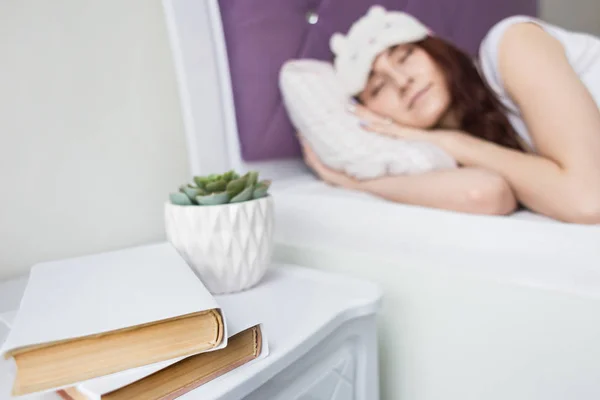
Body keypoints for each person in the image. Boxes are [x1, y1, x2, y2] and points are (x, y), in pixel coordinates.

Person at [299, 6, 600, 224]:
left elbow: (588, 200)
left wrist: (454, 142)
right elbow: (483, 194)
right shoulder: (444, 149)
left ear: (436, 48)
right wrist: (355, 183)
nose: (403, 82)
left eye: (405, 56)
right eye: (378, 88)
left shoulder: (512, 44)